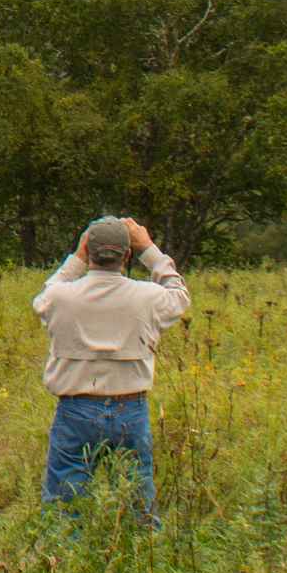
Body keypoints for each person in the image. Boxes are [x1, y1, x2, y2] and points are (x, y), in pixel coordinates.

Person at [33, 214, 188, 516]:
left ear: (87, 251)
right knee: (138, 507)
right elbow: (179, 296)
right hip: (130, 409)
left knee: (65, 508)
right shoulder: (148, 296)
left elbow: (45, 296)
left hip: (75, 410)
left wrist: (76, 260)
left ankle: (63, 560)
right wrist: (149, 250)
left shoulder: (61, 297)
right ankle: (140, 557)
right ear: (127, 255)